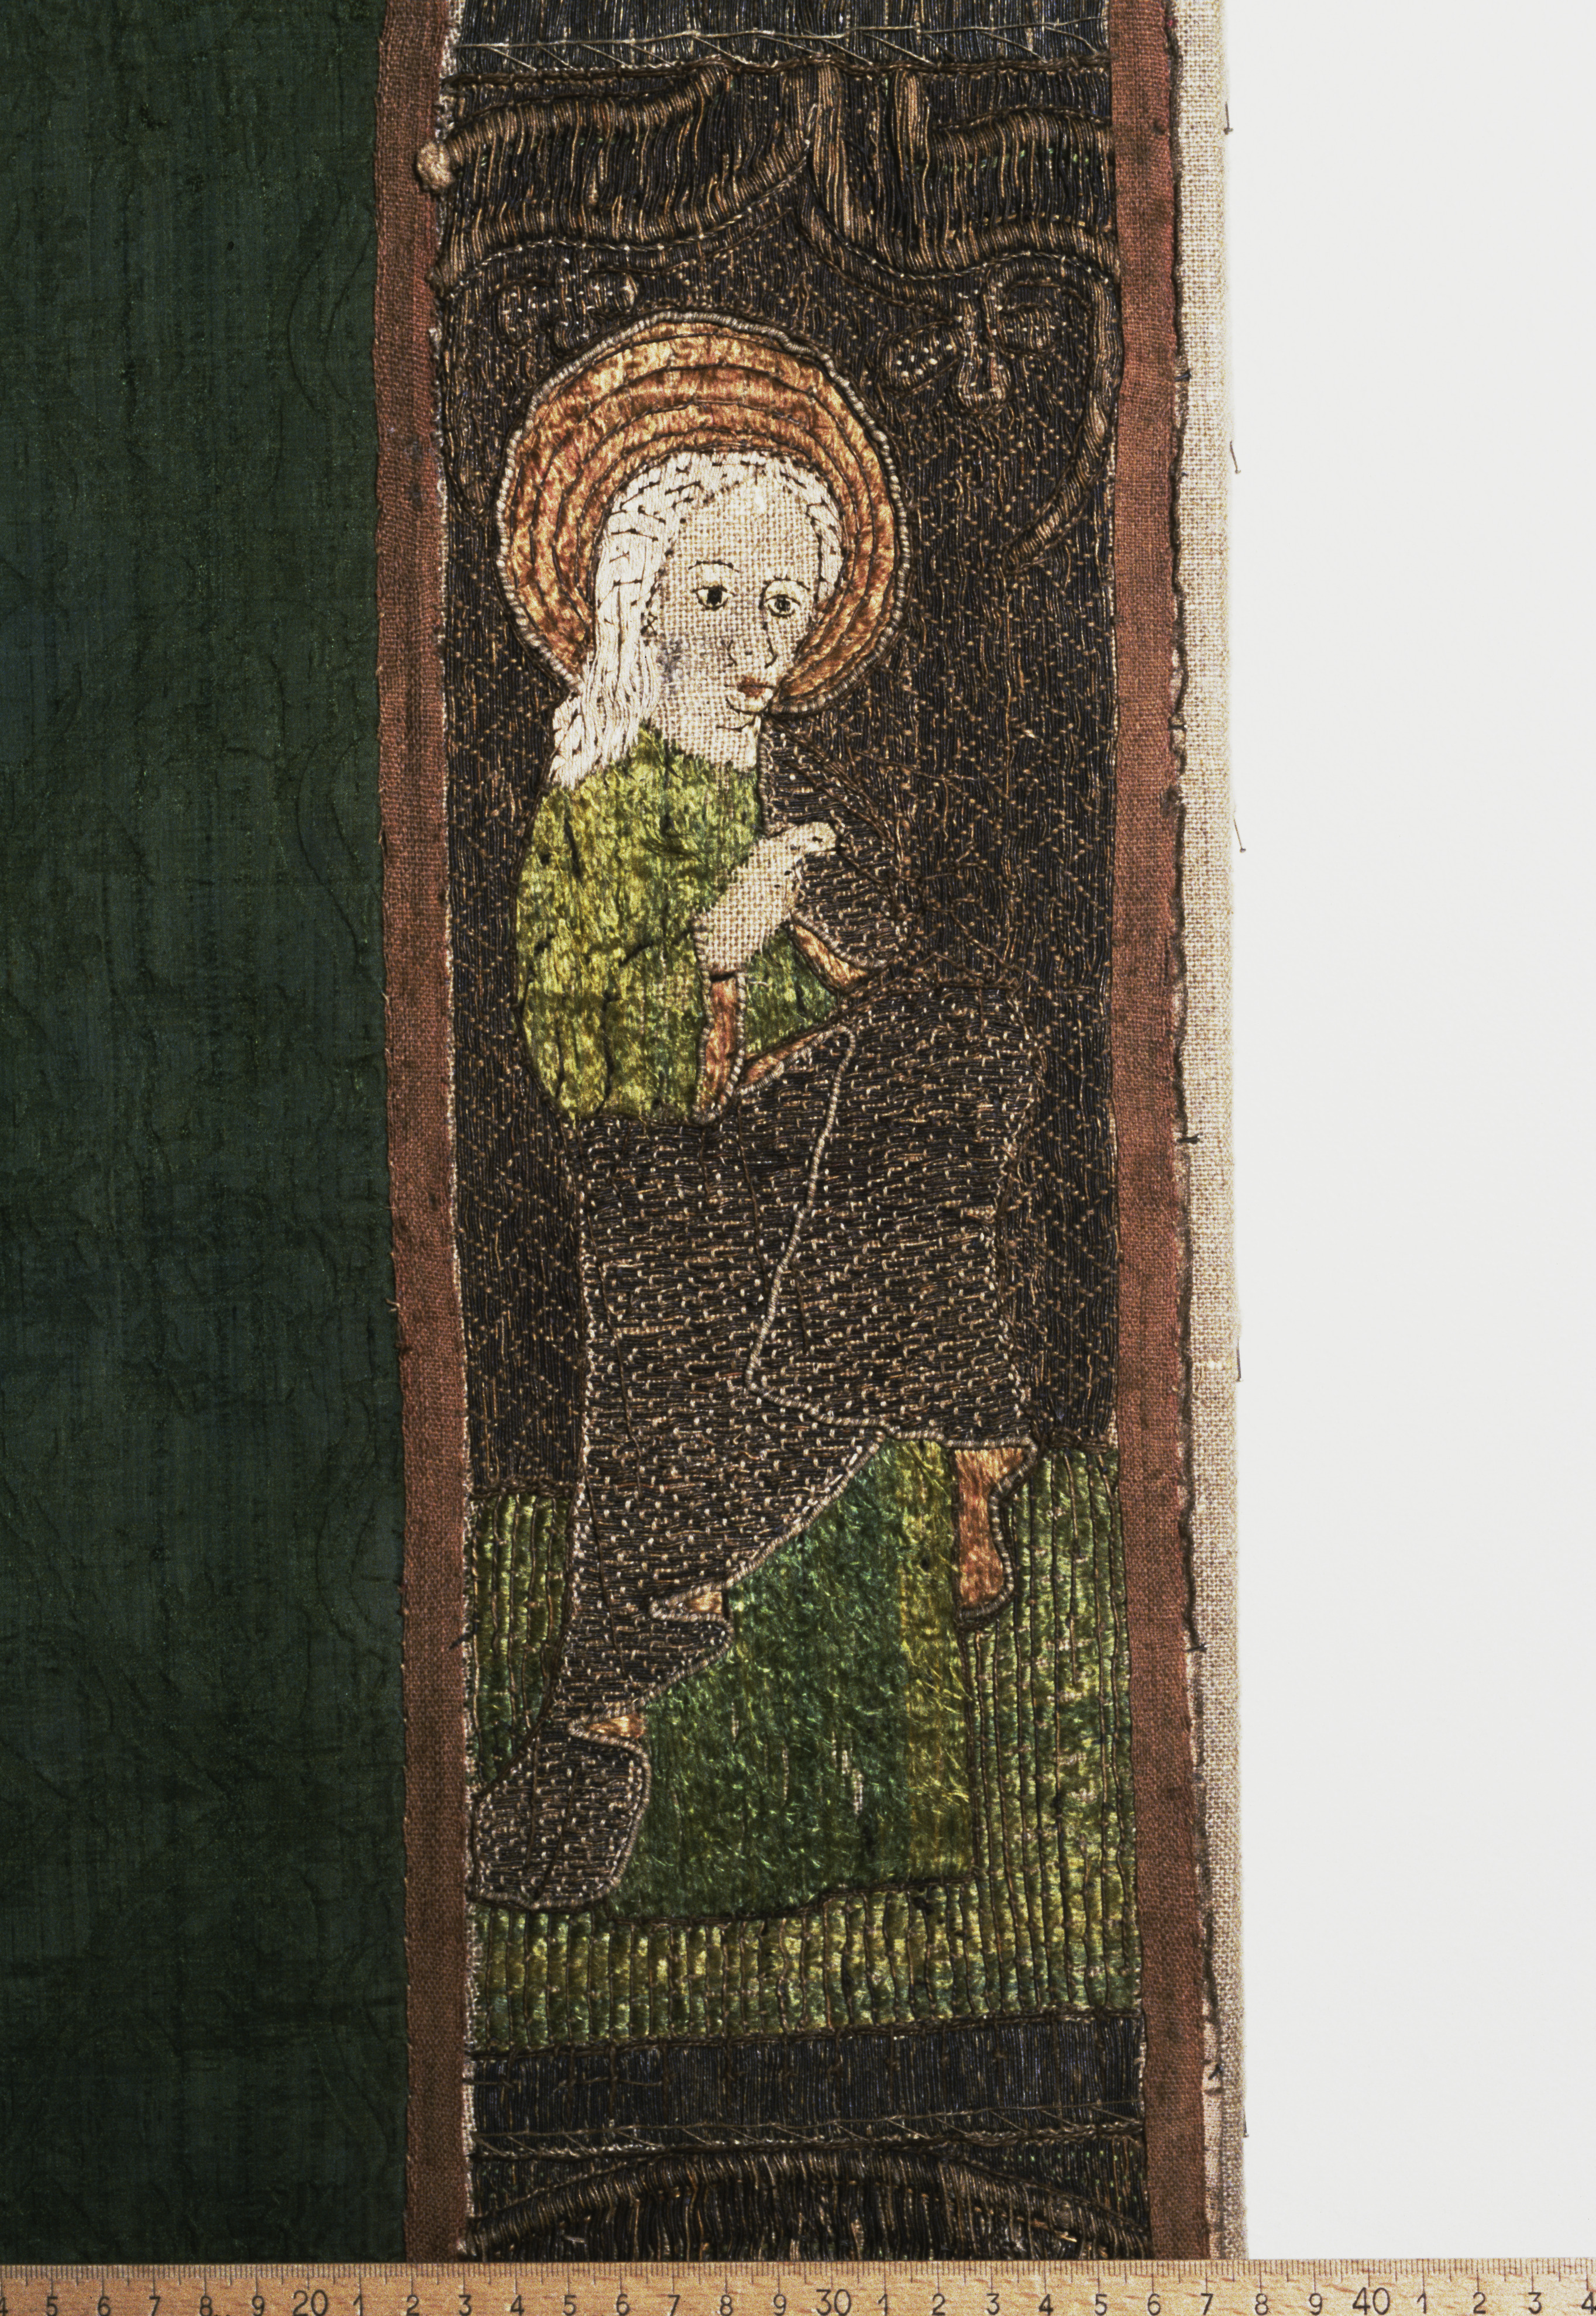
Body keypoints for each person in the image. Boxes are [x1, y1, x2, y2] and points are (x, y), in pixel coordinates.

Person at [470, 316, 1038, 1911]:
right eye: (716, 595)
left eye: (781, 604)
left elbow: (847, 1009)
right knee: (856, 1206)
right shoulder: (593, 803)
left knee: (954, 1057)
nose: (749, 635)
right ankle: (969, 1442)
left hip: (789, 1166)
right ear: (639, 598)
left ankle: (951, 1444)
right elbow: (573, 1037)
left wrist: (815, 946)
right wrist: (723, 942)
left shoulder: (770, 791)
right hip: (661, 1169)